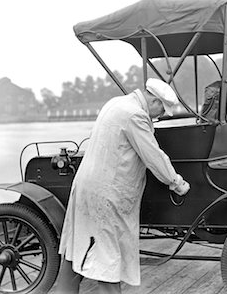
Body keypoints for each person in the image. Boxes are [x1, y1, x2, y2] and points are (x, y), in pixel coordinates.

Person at [55, 78, 190, 294]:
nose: (160, 115)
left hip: (86, 186)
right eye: (162, 110)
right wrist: (176, 183)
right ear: (154, 100)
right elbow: (153, 156)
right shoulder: (135, 115)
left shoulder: (116, 103)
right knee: (108, 258)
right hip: (107, 194)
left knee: (76, 248)